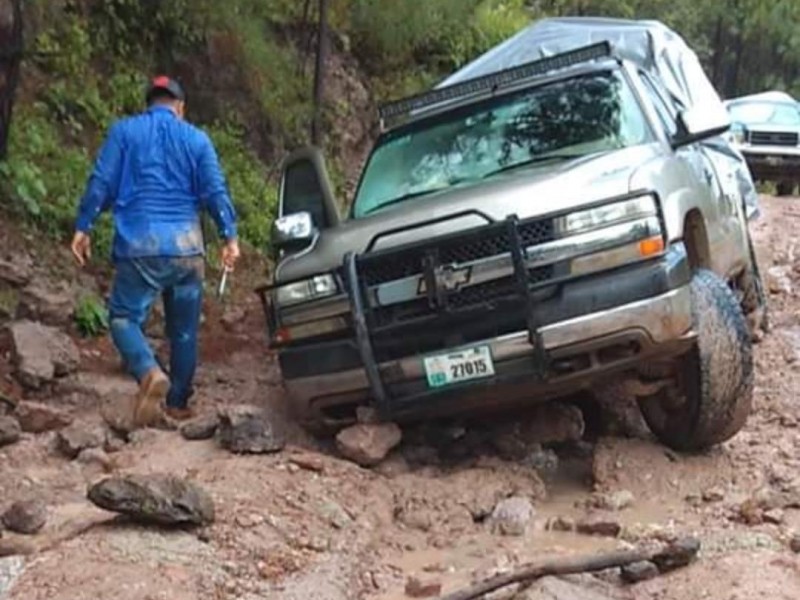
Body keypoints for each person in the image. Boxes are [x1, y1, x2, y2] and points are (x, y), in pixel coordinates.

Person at [70, 75, 240, 428]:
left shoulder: (124, 132)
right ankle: (177, 403)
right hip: (186, 248)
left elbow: (101, 181)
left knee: (123, 318)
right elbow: (215, 191)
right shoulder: (197, 139)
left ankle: (149, 372)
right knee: (184, 331)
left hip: (140, 246)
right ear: (180, 107)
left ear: (150, 103)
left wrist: (84, 225)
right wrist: (230, 237)